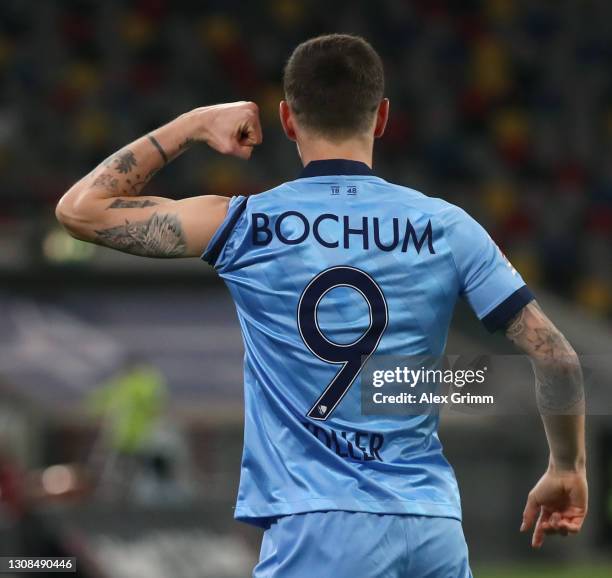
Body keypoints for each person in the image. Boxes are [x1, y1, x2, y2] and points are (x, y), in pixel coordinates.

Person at [56, 34, 587, 578]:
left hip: (320, 528)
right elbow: (557, 357)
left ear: (287, 119)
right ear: (381, 118)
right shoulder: (447, 226)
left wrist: (194, 123)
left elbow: (81, 211)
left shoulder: (246, 225)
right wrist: (567, 467)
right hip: (433, 528)